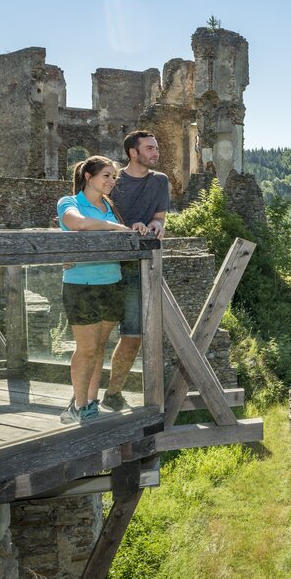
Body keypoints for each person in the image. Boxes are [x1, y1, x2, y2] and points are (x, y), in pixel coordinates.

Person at [57, 156, 147, 423]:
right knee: (86, 349)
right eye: (106, 175)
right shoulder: (69, 202)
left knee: (98, 349)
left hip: (112, 283)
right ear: (88, 176)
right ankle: (77, 405)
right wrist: (111, 226)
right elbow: (77, 224)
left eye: (114, 176)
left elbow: (122, 235)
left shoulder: (110, 207)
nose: (111, 181)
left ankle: (90, 404)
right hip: (81, 285)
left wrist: (133, 229)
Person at [103, 130, 170, 411]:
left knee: (132, 337)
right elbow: (96, 216)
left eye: (156, 147)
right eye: (150, 148)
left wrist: (156, 225)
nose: (156, 152)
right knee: (98, 336)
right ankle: (82, 398)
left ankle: (112, 394)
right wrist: (128, 228)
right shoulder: (112, 182)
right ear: (134, 152)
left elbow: (159, 217)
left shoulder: (160, 181)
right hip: (105, 266)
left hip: (138, 269)